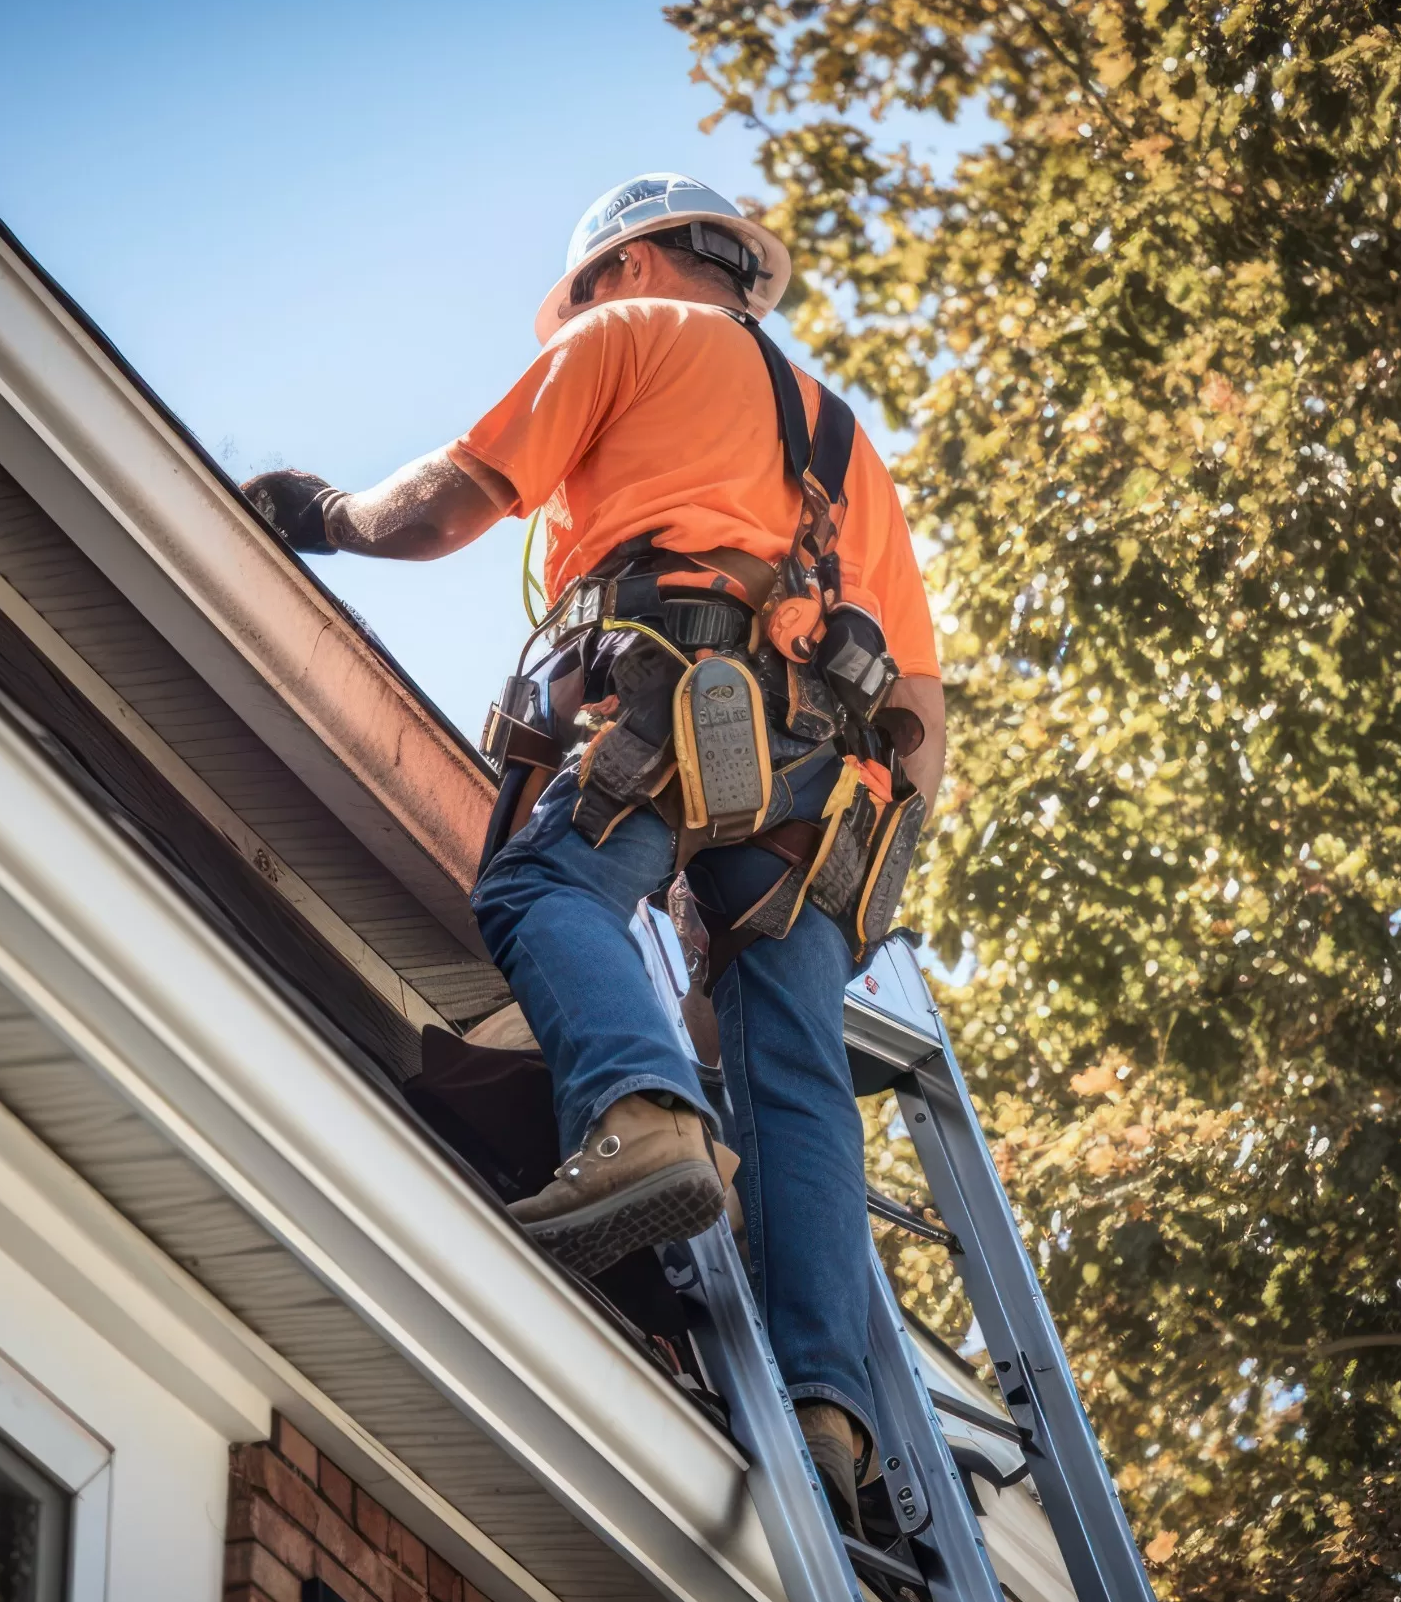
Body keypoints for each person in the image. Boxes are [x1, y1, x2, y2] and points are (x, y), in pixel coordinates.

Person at [241, 174, 944, 1527]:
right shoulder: (850, 453)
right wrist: (849, 876)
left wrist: (322, 511)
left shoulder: (621, 338)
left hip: (667, 687)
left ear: (622, 270)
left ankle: (638, 1118)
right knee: (795, 1065)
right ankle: (829, 1405)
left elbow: (448, 504)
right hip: (821, 791)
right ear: (738, 270)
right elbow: (919, 718)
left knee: (543, 882)